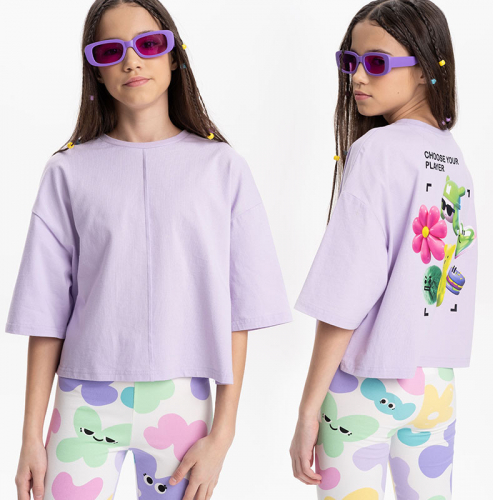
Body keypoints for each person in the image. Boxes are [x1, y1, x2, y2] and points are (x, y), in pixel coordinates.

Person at [6, 1, 292, 499]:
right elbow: (45, 314)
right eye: (110, 51)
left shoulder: (222, 168)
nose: (131, 61)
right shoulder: (67, 172)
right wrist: (31, 436)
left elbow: (239, 311)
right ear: (95, 69)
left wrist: (223, 434)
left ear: (174, 55)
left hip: (182, 406)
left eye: (149, 44)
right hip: (83, 401)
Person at [289, 1, 477, 498]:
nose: (357, 77)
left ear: (424, 67)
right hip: (436, 389)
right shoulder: (452, 155)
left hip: (366, 389)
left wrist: (308, 410)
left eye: (376, 62)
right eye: (350, 61)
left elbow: (345, 294)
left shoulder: (377, 150)